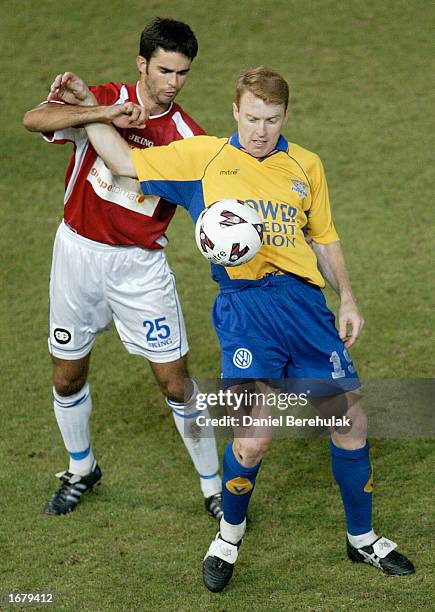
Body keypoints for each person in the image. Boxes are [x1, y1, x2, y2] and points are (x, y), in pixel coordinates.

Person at [51, 66, 415, 589]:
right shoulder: (203, 156)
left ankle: (362, 539)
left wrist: (348, 298)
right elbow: (125, 162)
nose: (260, 130)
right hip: (246, 310)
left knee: (350, 423)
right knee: (252, 441)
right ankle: (228, 536)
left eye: (270, 119)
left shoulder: (305, 165)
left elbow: (324, 235)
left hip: (307, 308)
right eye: (251, 118)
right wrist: (92, 113)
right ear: (235, 113)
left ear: (285, 115)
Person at [22, 17, 223, 521]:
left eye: (182, 73)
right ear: (142, 63)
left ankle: (215, 487)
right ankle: (81, 467)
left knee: (176, 383)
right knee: (66, 377)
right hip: (76, 257)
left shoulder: (186, 136)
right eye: (164, 70)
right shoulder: (106, 99)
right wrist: (102, 109)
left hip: (139, 269)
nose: (173, 83)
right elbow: (33, 119)